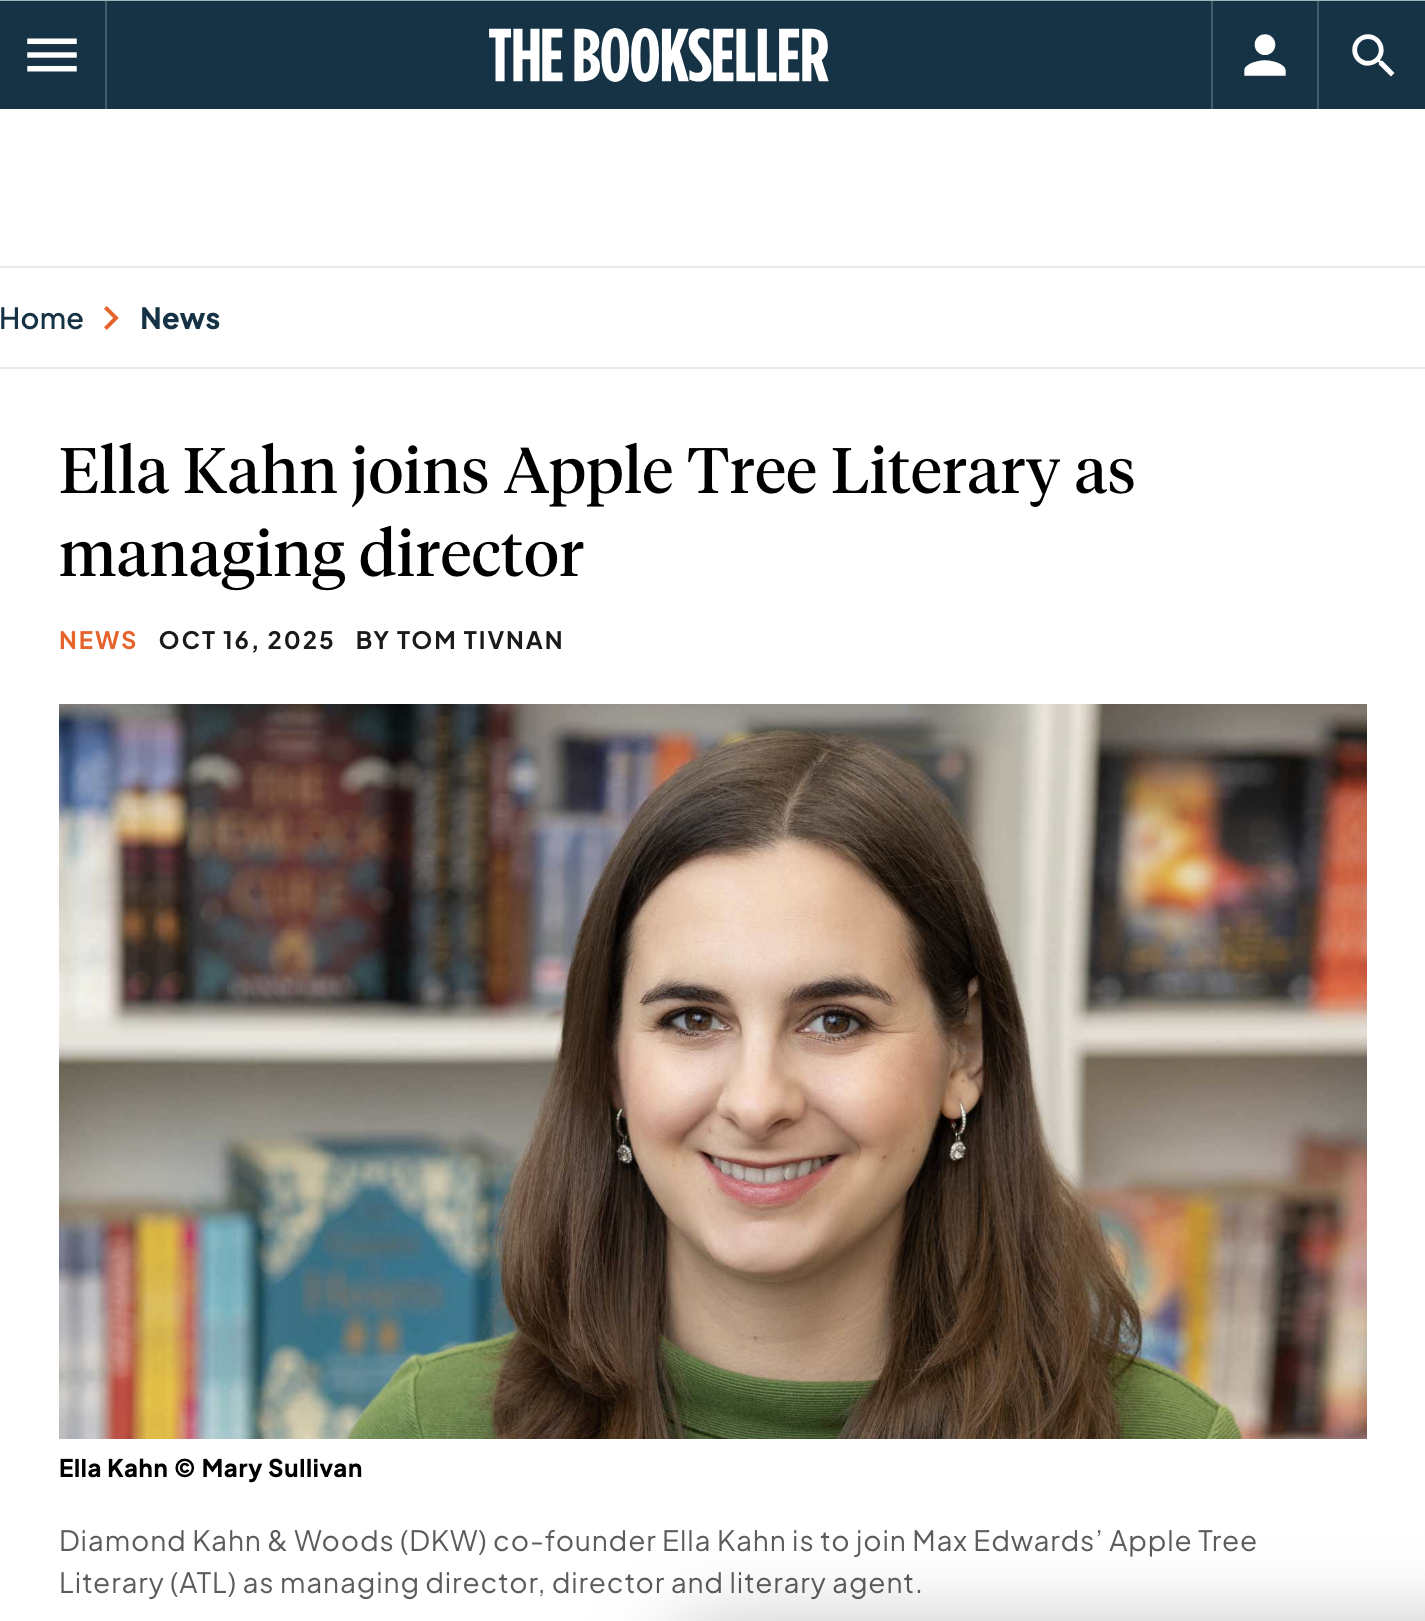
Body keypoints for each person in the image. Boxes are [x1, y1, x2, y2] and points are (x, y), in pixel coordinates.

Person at [352, 732, 1238, 1439]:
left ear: (963, 1054)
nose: (757, 1100)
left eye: (835, 1019)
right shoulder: (437, 1432)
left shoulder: (1160, 1450)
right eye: (692, 1019)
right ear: (610, 1060)